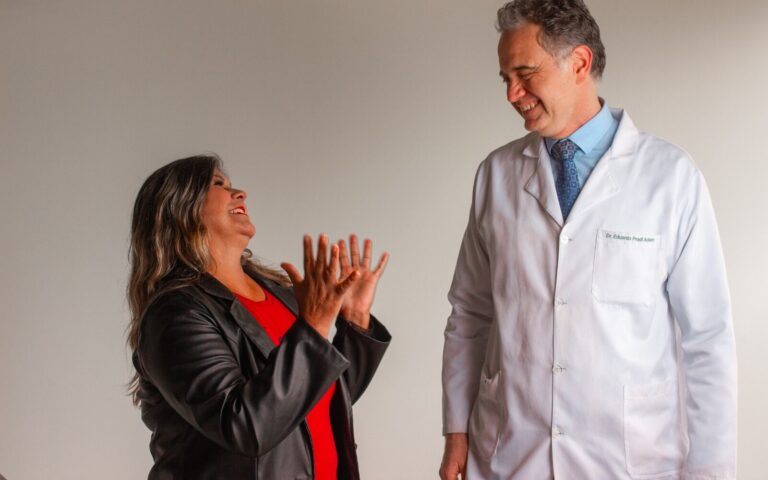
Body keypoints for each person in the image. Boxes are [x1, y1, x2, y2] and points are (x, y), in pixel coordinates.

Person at [439, 1, 737, 479]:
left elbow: (708, 339)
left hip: (631, 461)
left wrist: (711, 473)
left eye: (525, 73)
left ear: (579, 63)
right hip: (511, 455)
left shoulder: (671, 177)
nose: (512, 93)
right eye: (505, 79)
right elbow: (470, 315)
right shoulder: (496, 175)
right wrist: (456, 430)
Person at [126, 154, 390, 480]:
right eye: (218, 184)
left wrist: (356, 320)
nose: (240, 193)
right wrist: (314, 327)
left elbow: (318, 397)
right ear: (181, 209)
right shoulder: (176, 314)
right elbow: (245, 427)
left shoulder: (283, 295)